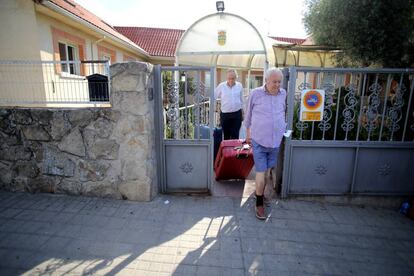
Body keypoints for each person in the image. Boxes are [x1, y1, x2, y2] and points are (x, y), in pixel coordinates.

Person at [244, 68, 286, 220]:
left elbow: (282, 111)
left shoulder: (283, 94)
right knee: (261, 172)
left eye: (279, 82)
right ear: (266, 81)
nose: (277, 85)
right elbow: (248, 116)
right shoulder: (256, 93)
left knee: (268, 171)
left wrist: (283, 127)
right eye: (274, 82)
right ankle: (259, 204)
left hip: (275, 141)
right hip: (259, 140)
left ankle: (260, 194)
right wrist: (248, 134)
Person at [215, 69, 244, 140]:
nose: (231, 80)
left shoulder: (239, 85)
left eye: (233, 78)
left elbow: (242, 100)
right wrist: (214, 107)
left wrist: (243, 112)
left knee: (235, 135)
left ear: (236, 78)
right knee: (226, 136)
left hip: (237, 114)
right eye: (229, 78)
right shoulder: (221, 86)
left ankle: (234, 151)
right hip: (225, 115)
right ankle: (227, 151)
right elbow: (213, 96)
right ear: (226, 78)